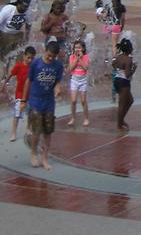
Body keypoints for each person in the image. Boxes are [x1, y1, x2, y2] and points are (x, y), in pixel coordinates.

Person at [22, 40, 64, 169]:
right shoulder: (36, 63)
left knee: (48, 131)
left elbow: (57, 81)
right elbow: (28, 81)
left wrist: (57, 88)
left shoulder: (58, 66)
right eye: (49, 55)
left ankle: (45, 157)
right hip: (35, 101)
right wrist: (24, 100)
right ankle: (34, 153)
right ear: (45, 51)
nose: (50, 58)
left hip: (49, 102)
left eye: (53, 57)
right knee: (36, 131)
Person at [2, 45, 35, 141]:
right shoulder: (19, 66)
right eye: (28, 57)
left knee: (30, 112)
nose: (30, 60)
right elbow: (11, 74)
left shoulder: (33, 67)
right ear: (24, 56)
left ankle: (28, 128)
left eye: (32, 58)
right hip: (20, 94)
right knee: (17, 113)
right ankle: (13, 133)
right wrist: (4, 83)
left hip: (31, 95)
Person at [112, 38, 136, 132]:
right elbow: (127, 74)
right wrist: (134, 69)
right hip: (124, 82)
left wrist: (119, 69)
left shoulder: (118, 56)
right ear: (130, 49)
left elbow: (113, 64)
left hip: (117, 80)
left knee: (130, 100)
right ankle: (119, 124)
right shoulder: (129, 59)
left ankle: (121, 120)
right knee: (122, 104)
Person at [66, 39, 90, 127]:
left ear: (83, 48)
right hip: (74, 80)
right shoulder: (71, 57)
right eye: (76, 48)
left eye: (79, 48)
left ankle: (86, 118)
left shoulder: (86, 57)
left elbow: (85, 68)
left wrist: (80, 58)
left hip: (83, 81)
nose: (77, 49)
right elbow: (70, 69)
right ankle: (72, 118)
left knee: (83, 101)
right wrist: (76, 59)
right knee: (73, 100)